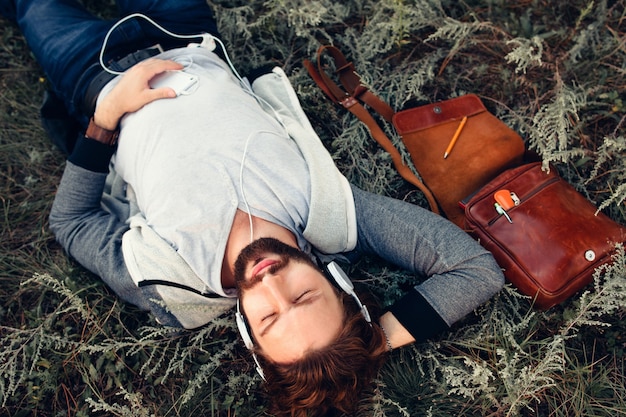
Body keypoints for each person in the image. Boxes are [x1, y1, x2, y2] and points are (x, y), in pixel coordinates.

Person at [1, 1, 505, 415]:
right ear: (338, 284)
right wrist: (369, 344)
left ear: (246, 333)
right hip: (185, 33)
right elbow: (474, 270)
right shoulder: (333, 214)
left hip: (94, 71)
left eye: (267, 318)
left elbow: (70, 222)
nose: (270, 282)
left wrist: (106, 116)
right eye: (305, 297)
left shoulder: (170, 287)